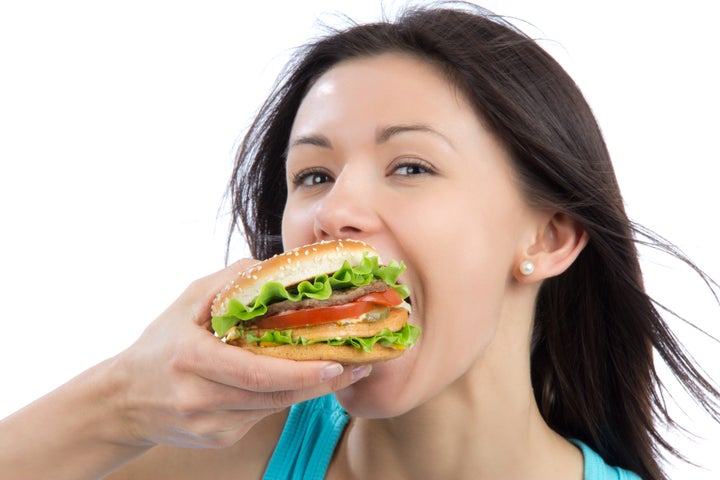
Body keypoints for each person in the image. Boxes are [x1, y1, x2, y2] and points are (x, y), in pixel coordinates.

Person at [1, 3, 718, 479]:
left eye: (410, 166)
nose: (335, 209)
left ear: (551, 236)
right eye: (312, 175)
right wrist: (122, 397)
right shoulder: (229, 449)